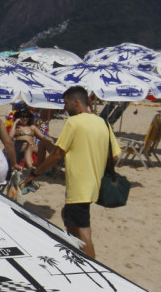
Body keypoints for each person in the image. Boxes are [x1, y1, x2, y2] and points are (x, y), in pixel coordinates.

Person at [27, 85, 120, 260]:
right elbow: (114, 157)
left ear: (76, 102)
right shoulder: (103, 123)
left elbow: (57, 155)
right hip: (94, 184)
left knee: (83, 231)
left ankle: (93, 266)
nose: (64, 107)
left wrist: (36, 172)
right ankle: (77, 255)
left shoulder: (74, 123)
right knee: (68, 217)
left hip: (79, 185)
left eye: (66, 102)